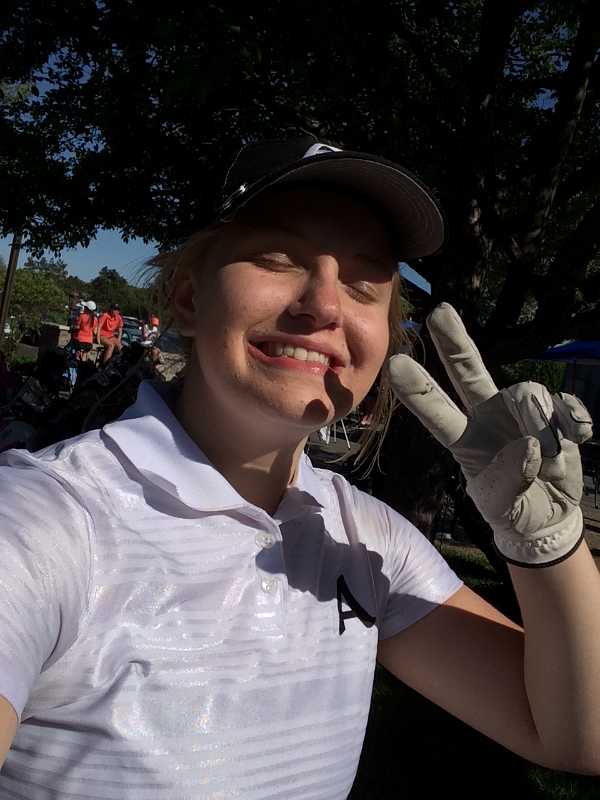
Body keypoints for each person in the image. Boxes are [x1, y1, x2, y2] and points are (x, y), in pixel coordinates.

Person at [0, 134, 599, 799]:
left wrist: (550, 547)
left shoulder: (368, 538)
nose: (326, 304)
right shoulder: (42, 520)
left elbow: (576, 735)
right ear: (188, 298)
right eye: (278, 259)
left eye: (365, 283)